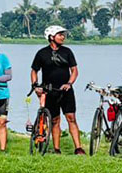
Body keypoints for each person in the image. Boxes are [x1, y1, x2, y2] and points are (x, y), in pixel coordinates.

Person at [30, 25, 83, 154]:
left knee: (71, 118)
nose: (63, 37)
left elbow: (74, 70)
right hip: (49, 90)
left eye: (63, 35)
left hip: (65, 90)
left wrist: (69, 83)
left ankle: (78, 148)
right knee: (55, 120)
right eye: (60, 35)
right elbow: (34, 71)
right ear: (51, 37)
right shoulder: (42, 53)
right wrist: (35, 85)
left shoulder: (67, 51)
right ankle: (57, 149)